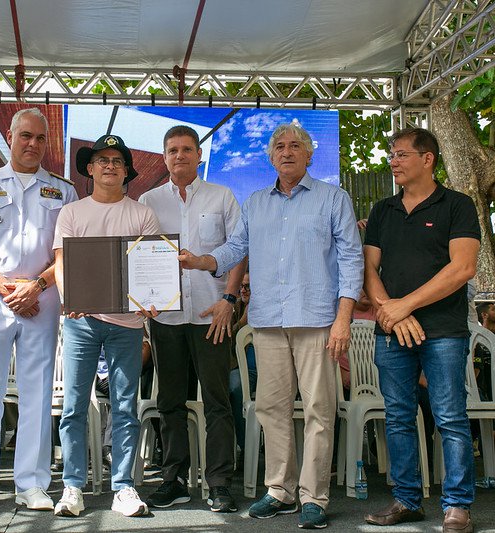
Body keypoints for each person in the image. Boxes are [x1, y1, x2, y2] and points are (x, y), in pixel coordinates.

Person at [179, 122, 363, 529]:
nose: (287, 152)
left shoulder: (334, 198)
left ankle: (314, 497)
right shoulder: (256, 202)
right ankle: (280, 490)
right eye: (279, 146)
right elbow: (236, 249)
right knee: (271, 408)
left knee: (319, 409)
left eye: (295, 145)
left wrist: (344, 317)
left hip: (317, 319)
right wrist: (200, 261)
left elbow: (353, 260)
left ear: (309, 155)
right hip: (268, 321)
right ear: (270, 156)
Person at [0, 107, 77, 512]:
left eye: (40, 138)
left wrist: (35, 287)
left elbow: (70, 252)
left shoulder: (63, 191)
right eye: (25, 136)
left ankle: (32, 484)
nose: (32, 144)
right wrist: (8, 289)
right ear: (10, 136)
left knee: (38, 394)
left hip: (43, 297)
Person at [363, 127, 480, 533]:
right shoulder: (382, 210)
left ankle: (457, 506)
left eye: (400, 155)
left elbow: (463, 268)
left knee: (449, 416)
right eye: (391, 155)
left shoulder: (458, 205)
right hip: (393, 330)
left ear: (427, 159)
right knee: (397, 416)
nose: (392, 161)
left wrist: (404, 306)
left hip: (444, 330)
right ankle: (407, 501)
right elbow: (368, 271)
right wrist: (391, 312)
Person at [137, 125, 244, 512]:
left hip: (210, 315)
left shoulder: (223, 197)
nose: (179, 155)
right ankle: (174, 479)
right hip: (165, 317)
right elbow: (138, 257)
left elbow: (238, 250)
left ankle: (218, 483)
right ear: (164, 157)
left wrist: (229, 299)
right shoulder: (147, 201)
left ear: (199, 155)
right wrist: (141, 298)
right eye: (172, 150)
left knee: (217, 401)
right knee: (170, 402)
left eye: (186, 149)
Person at [53, 134, 159, 518]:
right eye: (102, 159)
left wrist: (154, 300)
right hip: (81, 323)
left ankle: (124, 487)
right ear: (90, 168)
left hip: (128, 324)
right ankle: (72, 487)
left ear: (127, 170)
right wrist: (71, 299)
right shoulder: (72, 213)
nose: (109, 165)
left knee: (125, 407)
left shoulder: (142, 214)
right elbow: (63, 264)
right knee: (74, 406)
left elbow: (150, 266)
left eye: (117, 160)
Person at [229, 271, 256, 460]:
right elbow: (228, 339)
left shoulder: (266, 308)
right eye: (241, 287)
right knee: (232, 385)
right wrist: (242, 322)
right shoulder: (236, 308)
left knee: (235, 386)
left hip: (262, 369)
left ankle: (249, 448)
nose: (244, 291)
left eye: (248, 287)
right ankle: (241, 445)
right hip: (238, 367)